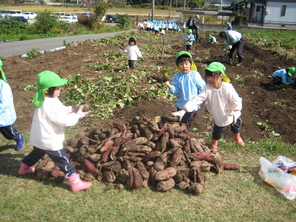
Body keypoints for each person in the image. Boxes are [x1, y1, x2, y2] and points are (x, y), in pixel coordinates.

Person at [18, 71, 92, 192]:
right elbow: (63, 121)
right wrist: (77, 116)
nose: (60, 89)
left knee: (36, 153)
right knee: (63, 159)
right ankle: (75, 182)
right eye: (57, 88)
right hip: (49, 139)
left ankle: (24, 168)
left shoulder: (45, 99)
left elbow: (60, 109)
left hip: (40, 137)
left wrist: (71, 110)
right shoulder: (49, 104)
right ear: (48, 90)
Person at [183, 62, 244, 152]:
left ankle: (237, 137)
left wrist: (236, 110)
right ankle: (214, 144)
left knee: (235, 125)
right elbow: (198, 99)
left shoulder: (227, 87)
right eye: (208, 76)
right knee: (218, 129)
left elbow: (236, 100)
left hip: (231, 112)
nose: (210, 79)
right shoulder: (207, 88)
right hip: (218, 113)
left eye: (213, 76)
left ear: (221, 76)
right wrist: (185, 109)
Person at [164, 51, 206, 129]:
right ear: (178, 66)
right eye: (181, 64)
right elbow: (176, 91)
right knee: (183, 123)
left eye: (186, 64)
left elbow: (202, 87)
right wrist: (169, 85)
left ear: (191, 64)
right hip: (181, 105)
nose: (184, 66)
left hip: (193, 105)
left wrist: (201, 99)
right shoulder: (177, 76)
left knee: (190, 122)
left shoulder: (195, 75)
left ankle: (190, 135)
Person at [0, 59, 24, 151]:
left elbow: (4, 102)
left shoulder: (3, 85)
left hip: (3, 116)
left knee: (8, 134)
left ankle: (18, 137)